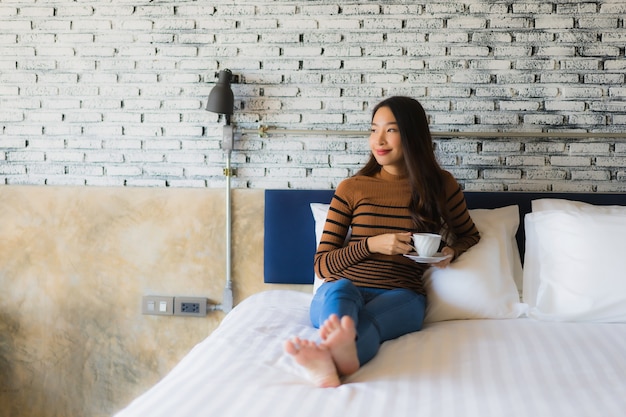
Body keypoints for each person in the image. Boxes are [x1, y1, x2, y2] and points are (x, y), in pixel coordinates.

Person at [284, 96, 480, 387]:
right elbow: (322, 265)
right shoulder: (352, 188)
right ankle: (339, 353)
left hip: (402, 295)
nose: (379, 139)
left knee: (371, 322)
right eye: (373, 129)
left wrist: (451, 250)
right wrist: (371, 245)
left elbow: (469, 235)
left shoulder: (441, 185)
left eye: (391, 130)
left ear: (412, 134)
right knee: (341, 289)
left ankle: (330, 360)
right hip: (341, 290)